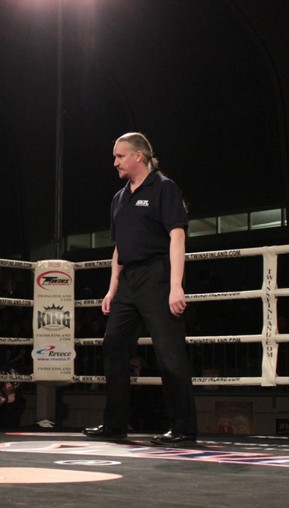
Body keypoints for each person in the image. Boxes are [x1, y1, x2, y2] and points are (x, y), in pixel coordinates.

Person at [83, 132, 198, 445]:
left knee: (169, 353)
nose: (115, 162)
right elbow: (119, 247)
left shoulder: (164, 188)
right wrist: (112, 289)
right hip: (129, 281)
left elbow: (177, 236)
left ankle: (183, 427)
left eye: (120, 156)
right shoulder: (119, 198)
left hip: (157, 275)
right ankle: (115, 423)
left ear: (138, 156)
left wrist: (176, 286)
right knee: (113, 346)